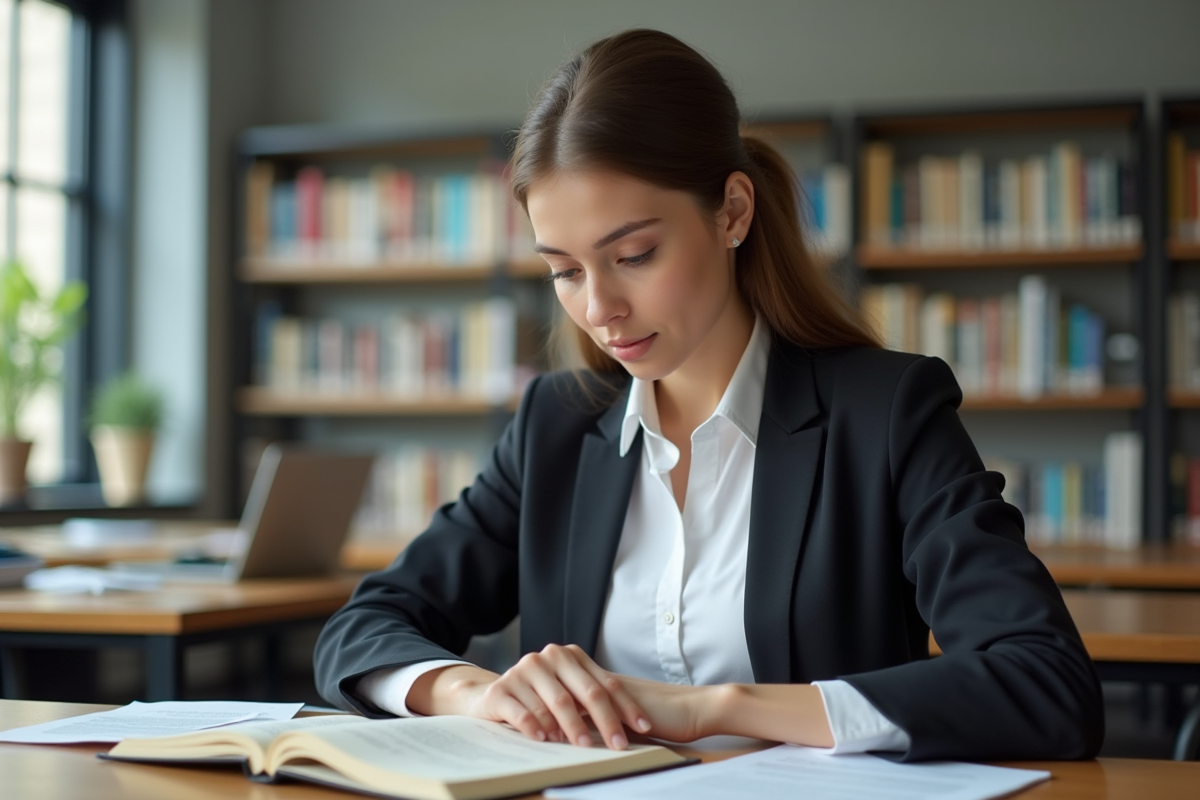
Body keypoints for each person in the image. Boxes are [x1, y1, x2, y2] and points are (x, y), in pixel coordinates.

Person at [314, 28, 1103, 762]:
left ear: (732, 211)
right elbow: (362, 630)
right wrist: (480, 693)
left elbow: (1046, 682)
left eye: (635, 254)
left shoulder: (886, 413)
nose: (598, 309)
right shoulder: (556, 425)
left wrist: (718, 708)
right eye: (564, 270)